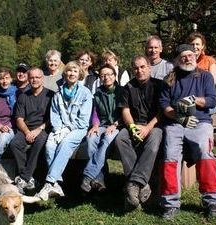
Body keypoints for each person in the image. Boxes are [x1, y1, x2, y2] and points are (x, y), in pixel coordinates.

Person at [159, 44, 216, 220]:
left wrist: (194, 100)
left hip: (200, 122)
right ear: (177, 60)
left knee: (204, 151)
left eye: (190, 55)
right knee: (170, 156)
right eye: (183, 56)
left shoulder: (205, 76)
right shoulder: (169, 79)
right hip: (176, 123)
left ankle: (212, 200)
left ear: (196, 56)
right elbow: (164, 105)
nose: (187, 58)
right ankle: (170, 203)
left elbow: (212, 100)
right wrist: (178, 116)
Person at [36, 61, 93, 201]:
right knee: (50, 145)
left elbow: (84, 120)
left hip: (78, 129)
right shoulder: (58, 93)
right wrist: (59, 129)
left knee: (65, 143)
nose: (72, 73)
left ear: (79, 74)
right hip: (60, 128)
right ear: (65, 73)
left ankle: (49, 183)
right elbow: (54, 115)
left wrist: (68, 129)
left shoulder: (85, 93)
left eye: (75, 71)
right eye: (69, 71)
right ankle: (56, 184)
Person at [115, 56, 163, 211]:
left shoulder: (159, 85)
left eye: (142, 67)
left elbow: (161, 112)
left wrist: (147, 128)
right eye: (136, 68)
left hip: (153, 125)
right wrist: (132, 127)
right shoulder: (128, 87)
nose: (139, 70)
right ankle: (142, 185)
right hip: (135, 125)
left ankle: (133, 184)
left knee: (154, 140)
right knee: (121, 138)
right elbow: (125, 110)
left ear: (149, 67)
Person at [10, 67, 53, 194]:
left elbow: (52, 119)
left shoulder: (51, 95)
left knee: (39, 143)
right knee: (15, 144)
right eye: (32, 77)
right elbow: (19, 119)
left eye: (37, 77)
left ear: (42, 79)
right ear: (28, 79)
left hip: (43, 129)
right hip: (25, 129)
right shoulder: (23, 96)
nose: (34, 80)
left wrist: (38, 130)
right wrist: (27, 132)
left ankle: (24, 177)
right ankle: (29, 178)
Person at [81, 64, 123, 193]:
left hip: (117, 125)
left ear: (114, 76)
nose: (106, 77)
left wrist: (115, 124)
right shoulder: (98, 92)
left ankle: (88, 176)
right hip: (102, 125)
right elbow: (95, 113)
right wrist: (95, 125)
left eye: (109, 74)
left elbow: (125, 113)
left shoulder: (122, 91)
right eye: (103, 75)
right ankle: (100, 179)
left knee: (106, 139)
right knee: (91, 139)